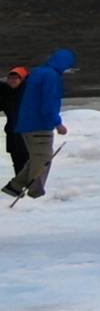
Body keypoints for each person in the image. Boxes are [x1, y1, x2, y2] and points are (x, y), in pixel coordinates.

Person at [8, 47, 70, 198]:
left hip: (25, 124)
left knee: (37, 157)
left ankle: (15, 186)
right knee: (43, 158)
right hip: (39, 125)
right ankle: (36, 192)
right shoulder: (51, 77)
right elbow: (48, 102)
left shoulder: (38, 72)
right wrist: (57, 123)